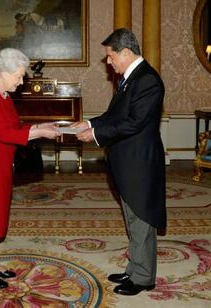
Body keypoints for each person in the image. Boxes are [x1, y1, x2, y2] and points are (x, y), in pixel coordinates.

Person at [71, 28, 166, 296]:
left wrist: (96, 134)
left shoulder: (147, 80)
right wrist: (88, 123)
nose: (109, 62)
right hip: (127, 162)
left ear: (125, 52)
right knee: (132, 218)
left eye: (111, 56)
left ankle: (144, 278)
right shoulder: (130, 78)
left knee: (142, 219)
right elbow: (114, 115)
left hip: (140, 163)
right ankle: (134, 269)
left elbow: (133, 122)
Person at [0, 48, 61, 289]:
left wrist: (41, 125)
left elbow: (15, 125)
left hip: (0, 163)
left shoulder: (3, 95)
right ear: (4, 72)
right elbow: (4, 133)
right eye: (18, 76)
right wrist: (39, 132)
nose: (21, 82)